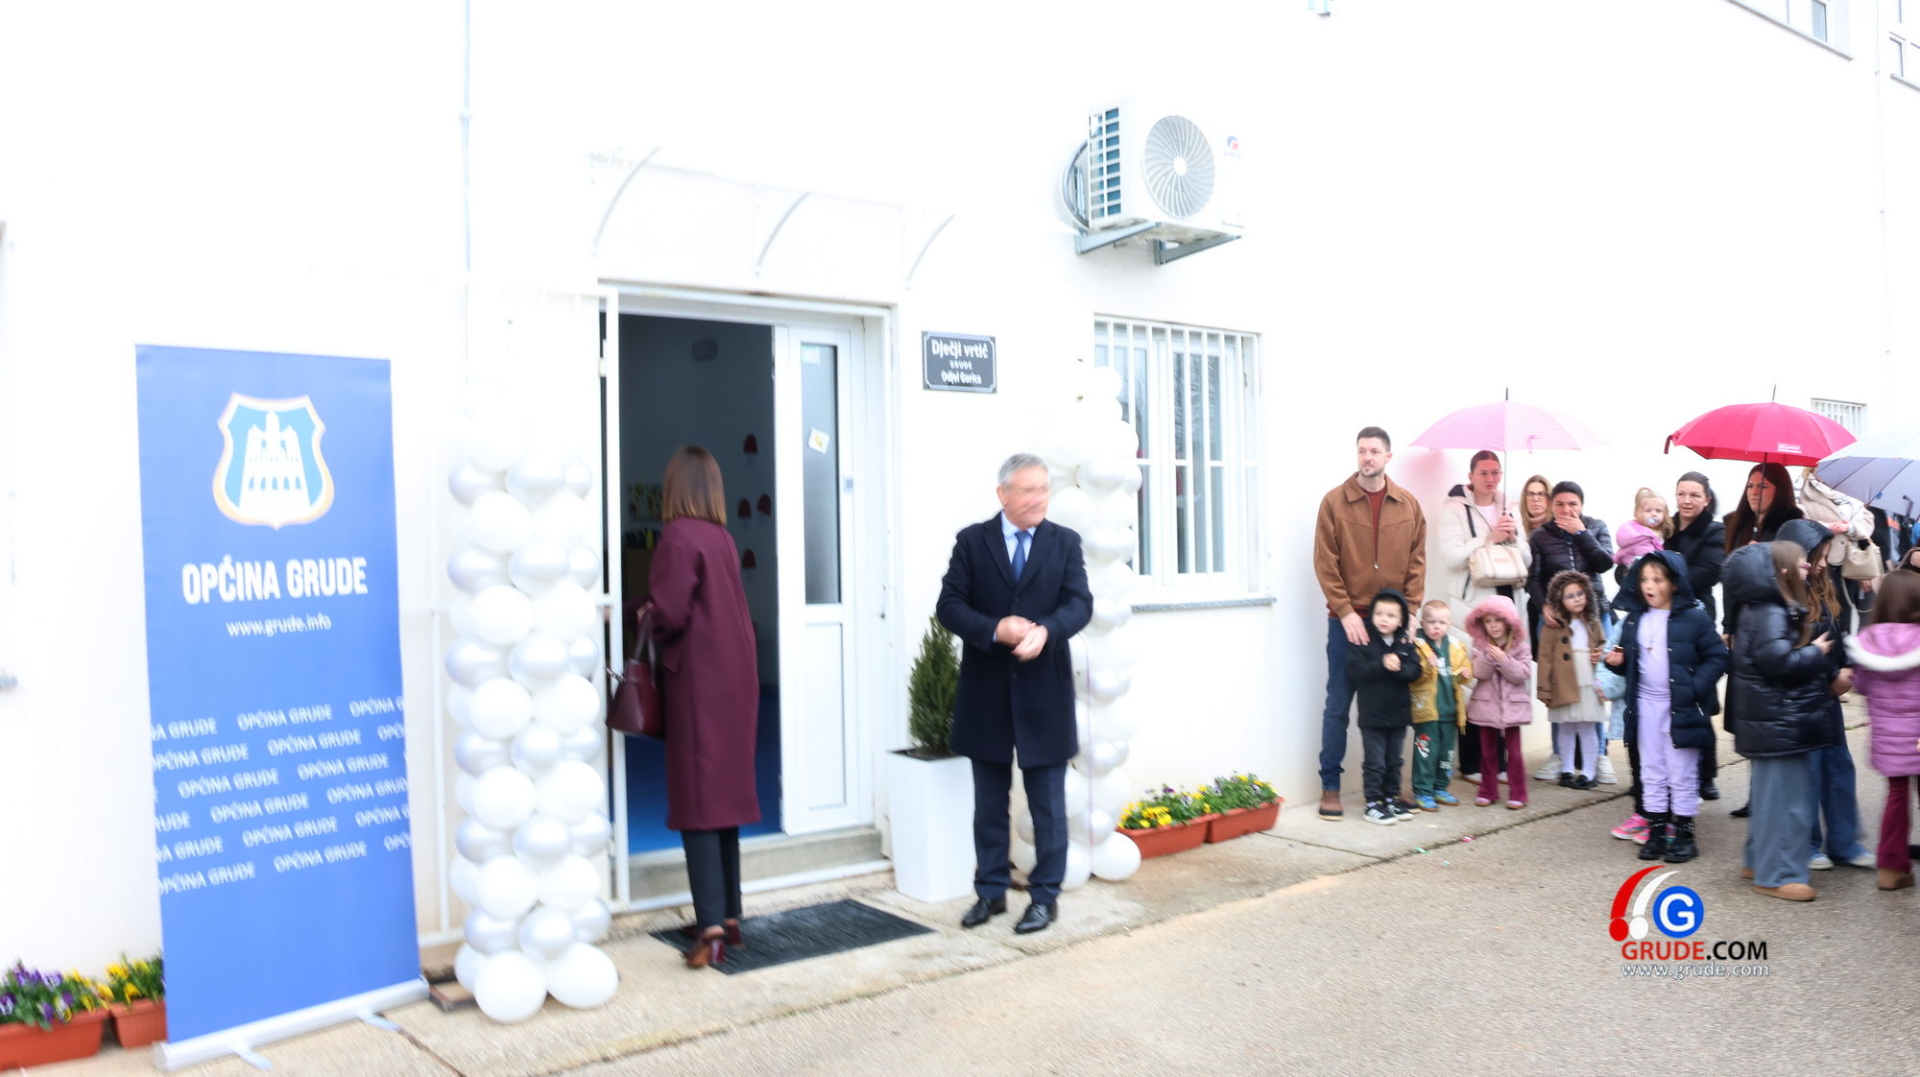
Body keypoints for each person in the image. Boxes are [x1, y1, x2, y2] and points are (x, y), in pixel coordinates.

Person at [937, 453, 1092, 936]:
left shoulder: (1064, 542)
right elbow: (949, 606)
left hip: (1045, 694)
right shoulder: (972, 541)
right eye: (1028, 490)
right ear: (1003, 494)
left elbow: (1080, 604)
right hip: (986, 695)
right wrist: (994, 629)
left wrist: (1047, 630)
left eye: (1044, 489)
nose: (1039, 498)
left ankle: (1045, 897)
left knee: (1048, 805)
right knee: (989, 804)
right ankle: (991, 891)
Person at [647, 446, 761, 968]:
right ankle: (730, 918)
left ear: (675, 486)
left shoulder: (677, 535)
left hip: (698, 680)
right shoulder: (721, 537)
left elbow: (670, 613)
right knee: (725, 802)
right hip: (736, 677)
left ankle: (710, 928)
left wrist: (635, 613)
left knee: (697, 799)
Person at [1313, 426, 1428, 821]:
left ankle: (1390, 790)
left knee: (1393, 706)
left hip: (1393, 625)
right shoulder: (1334, 502)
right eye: (1362, 451)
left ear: (1387, 457)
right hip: (1347, 623)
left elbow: (1417, 562)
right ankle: (1330, 787)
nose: (1367, 457)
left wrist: (1411, 612)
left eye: (1374, 451)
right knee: (1338, 705)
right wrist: (1345, 611)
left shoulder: (1408, 505)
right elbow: (1325, 563)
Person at [1727, 539, 1840, 901]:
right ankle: (1777, 875)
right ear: (1785, 570)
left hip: (1770, 722)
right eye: (1803, 564)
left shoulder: (1761, 607)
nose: (1809, 568)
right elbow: (1778, 663)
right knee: (1786, 802)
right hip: (1779, 723)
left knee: (1770, 798)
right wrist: (1816, 653)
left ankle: (1756, 862)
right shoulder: (1771, 610)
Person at [1607, 552, 1730, 864]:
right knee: (1651, 771)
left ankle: (1685, 835)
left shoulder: (1694, 618)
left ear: (1675, 583)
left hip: (1681, 709)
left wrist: (1694, 688)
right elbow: (1630, 661)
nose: (1649, 586)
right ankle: (1658, 831)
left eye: (1657, 580)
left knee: (1681, 772)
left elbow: (1718, 656)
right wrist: (1617, 664)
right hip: (1644, 706)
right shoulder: (1634, 619)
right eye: (1644, 579)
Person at [1526, 481, 1616, 782]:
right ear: (1552, 505)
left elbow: (1605, 563)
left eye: (1572, 504)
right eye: (1560, 504)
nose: (1566, 510)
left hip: (1595, 615)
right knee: (1559, 684)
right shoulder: (1540, 535)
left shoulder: (1596, 527)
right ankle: (1559, 756)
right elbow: (1533, 578)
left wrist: (1582, 533)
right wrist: (1543, 604)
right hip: (1557, 620)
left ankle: (1599, 756)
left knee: (1596, 682)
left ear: (1582, 505)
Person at [1797, 526, 1873, 873]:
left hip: (1828, 697)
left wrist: (1848, 666)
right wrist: (1833, 676)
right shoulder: (1789, 595)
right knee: (1809, 775)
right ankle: (1808, 844)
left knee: (1839, 769)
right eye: (1819, 556)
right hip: (1806, 698)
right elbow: (1799, 647)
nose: (1824, 563)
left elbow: (1834, 639)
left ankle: (1844, 842)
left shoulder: (1823, 588)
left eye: (1826, 556)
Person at [1847, 571, 1920, 890]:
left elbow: (1861, 686)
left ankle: (1891, 868)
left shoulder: (1869, 641)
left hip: (1889, 739)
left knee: (1897, 796)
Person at [1668, 472, 1728, 800]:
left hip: (1696, 620)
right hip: (1663, 619)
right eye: (1682, 494)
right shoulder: (1665, 527)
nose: (1686, 500)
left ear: (1707, 499)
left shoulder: (1715, 530)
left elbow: (1709, 572)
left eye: (1694, 495)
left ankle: (1706, 774)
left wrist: (1662, 581)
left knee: (1697, 698)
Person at [1347, 590, 1423, 825]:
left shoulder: (1405, 644)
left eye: (1391, 615)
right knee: (1375, 763)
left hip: (1398, 715)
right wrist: (1382, 664)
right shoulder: (1363, 641)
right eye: (1379, 613)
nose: (1384, 619)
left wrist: (1399, 667)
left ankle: (1391, 798)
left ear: (1401, 621)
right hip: (1372, 716)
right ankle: (1372, 803)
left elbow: (1415, 671)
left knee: (1394, 761)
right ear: (1371, 615)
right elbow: (1356, 671)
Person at [1536, 571, 1609, 790]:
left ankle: (1588, 771)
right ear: (1559, 600)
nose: (1577, 599)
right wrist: (1544, 689)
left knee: (1587, 727)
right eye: (1570, 596)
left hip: (1587, 681)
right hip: (1563, 682)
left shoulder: (1593, 622)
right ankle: (1567, 769)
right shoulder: (1552, 627)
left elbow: (1603, 643)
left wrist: (1601, 653)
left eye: (1580, 593)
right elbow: (1545, 657)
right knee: (1566, 727)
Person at [1466, 595, 1532, 809]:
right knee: (1487, 752)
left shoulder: (1521, 647)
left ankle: (1518, 793)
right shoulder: (1479, 646)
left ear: (1509, 622)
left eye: (1498, 620)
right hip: (1486, 706)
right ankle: (1488, 790)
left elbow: (1522, 675)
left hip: (1513, 706)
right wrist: (1487, 657)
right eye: (1488, 621)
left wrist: (1504, 660)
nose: (1493, 625)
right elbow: (1479, 673)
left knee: (1515, 753)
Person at [1798, 468, 1876, 635]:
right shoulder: (1803, 489)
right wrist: (1827, 527)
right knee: (1824, 618)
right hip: (1820, 565)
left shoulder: (1851, 492)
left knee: (1845, 620)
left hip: (1851, 564)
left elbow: (1868, 521)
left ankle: (1840, 647)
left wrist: (1851, 528)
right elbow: (1800, 523)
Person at [1411, 600, 1472, 812]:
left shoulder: (1454, 646)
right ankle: (1423, 791)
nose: (1437, 626)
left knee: (1447, 754)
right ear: (1422, 623)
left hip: (1450, 710)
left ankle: (1440, 788)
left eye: (1442, 622)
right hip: (1427, 711)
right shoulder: (1417, 645)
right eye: (1431, 622)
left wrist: (1464, 674)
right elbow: (1413, 677)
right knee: (1426, 752)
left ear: (1449, 624)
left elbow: (1462, 672)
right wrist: (1426, 666)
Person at [1723, 462, 1804, 559]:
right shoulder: (1734, 523)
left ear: (1780, 490)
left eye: (1762, 486)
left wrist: (1762, 556)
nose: (1754, 492)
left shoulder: (1791, 530)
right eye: (1750, 486)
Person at [1612, 488, 1672, 580]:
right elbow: (1647, 558)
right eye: (1648, 511)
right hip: (1639, 573)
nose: (1654, 514)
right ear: (1638, 513)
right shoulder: (1642, 536)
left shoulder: (1659, 531)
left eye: (1658, 511)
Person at [1519, 474, 1554, 539]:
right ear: (1524, 499)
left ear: (1549, 497)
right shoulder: (1517, 527)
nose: (1535, 498)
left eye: (1541, 494)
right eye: (1530, 494)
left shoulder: (1558, 527)